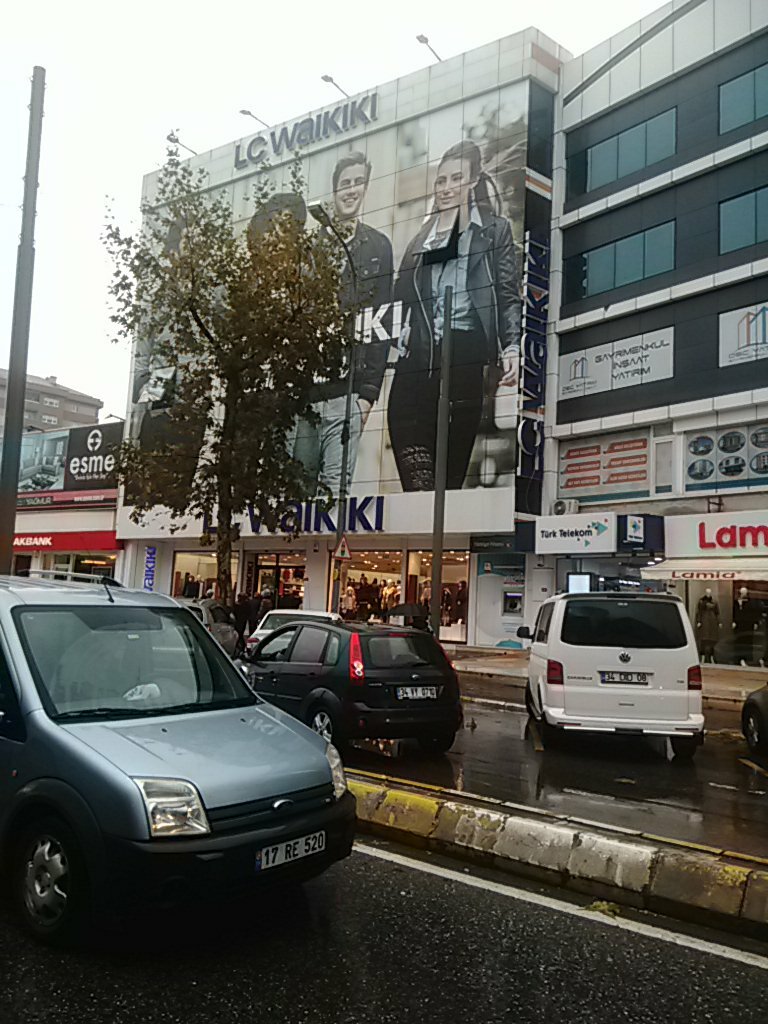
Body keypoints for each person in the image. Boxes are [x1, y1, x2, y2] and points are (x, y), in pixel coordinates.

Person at [387, 139, 521, 491]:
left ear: (473, 181)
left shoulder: (493, 231)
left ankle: (433, 545)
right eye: (441, 180)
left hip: (463, 361)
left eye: (456, 179)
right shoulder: (423, 236)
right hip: (416, 365)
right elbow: (399, 296)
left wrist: (512, 348)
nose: (446, 188)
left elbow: (507, 294)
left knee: (448, 485)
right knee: (418, 488)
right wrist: (397, 335)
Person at [292, 153, 393, 497]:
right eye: (344, 184)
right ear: (334, 191)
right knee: (298, 493)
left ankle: (332, 550)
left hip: (346, 393)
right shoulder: (310, 248)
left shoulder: (378, 247)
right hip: (305, 395)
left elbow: (381, 324)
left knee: (335, 497)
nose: (351, 190)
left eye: (358, 182)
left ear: (365, 188)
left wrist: (367, 396)